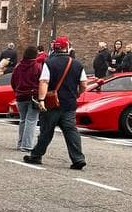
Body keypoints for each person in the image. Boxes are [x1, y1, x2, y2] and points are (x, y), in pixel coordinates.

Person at [23, 36, 87, 170]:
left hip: (51, 104)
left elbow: (44, 81)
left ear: (55, 48)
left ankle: (36, 156)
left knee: (46, 131)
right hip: (69, 103)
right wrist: (77, 94)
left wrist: (41, 100)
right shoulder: (77, 64)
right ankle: (78, 159)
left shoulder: (49, 63)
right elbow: (83, 84)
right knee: (71, 131)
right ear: (67, 47)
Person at [11, 45, 42, 152]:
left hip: (20, 96)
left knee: (23, 120)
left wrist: (17, 91)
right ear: (35, 55)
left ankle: (20, 143)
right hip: (33, 96)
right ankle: (27, 145)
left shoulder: (18, 66)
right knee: (31, 121)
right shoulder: (37, 67)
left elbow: (13, 81)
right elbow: (41, 82)